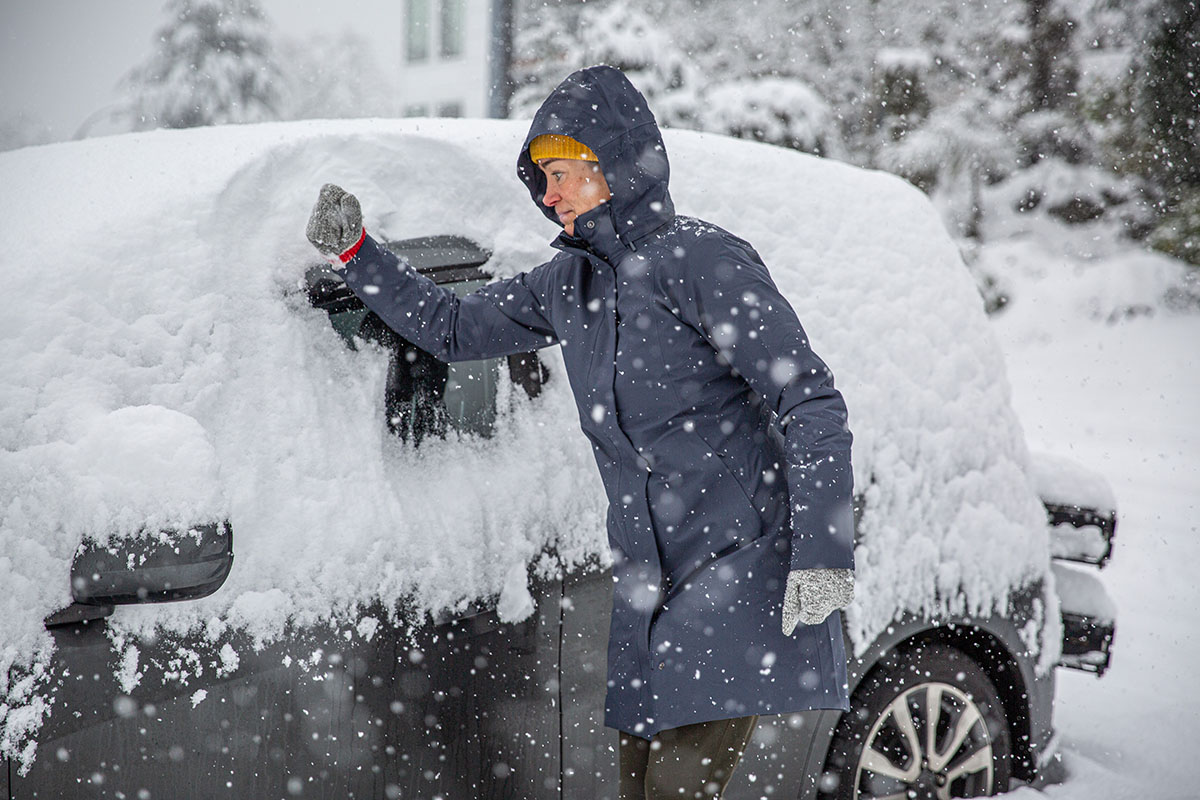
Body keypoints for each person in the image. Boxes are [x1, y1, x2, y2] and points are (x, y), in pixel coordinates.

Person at [307, 65, 855, 800]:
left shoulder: (702, 260)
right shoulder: (569, 286)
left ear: (615, 164)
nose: (548, 194)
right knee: (640, 789)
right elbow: (454, 327)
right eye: (541, 178)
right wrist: (358, 254)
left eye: (561, 172)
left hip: (735, 567)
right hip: (646, 579)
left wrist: (821, 552)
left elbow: (810, 400)